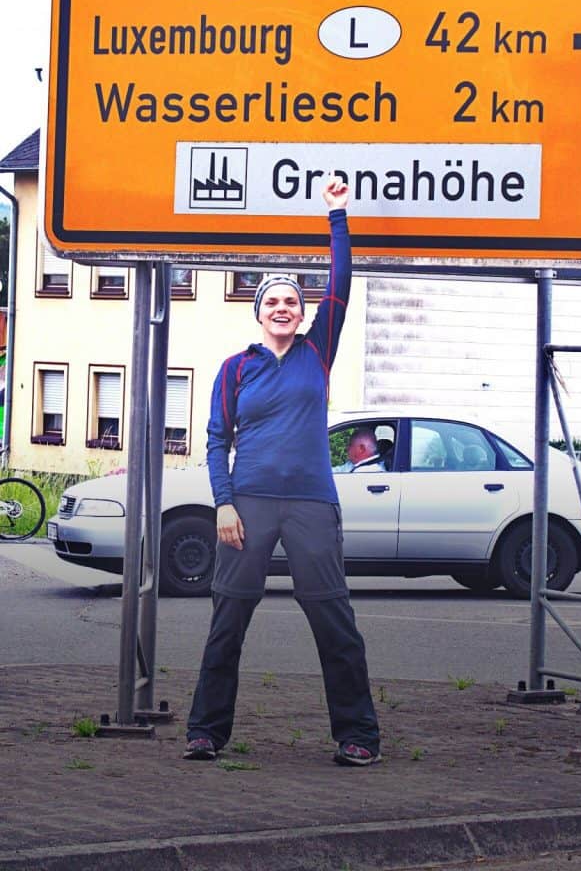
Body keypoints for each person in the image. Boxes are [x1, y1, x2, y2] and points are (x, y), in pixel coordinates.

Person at [184, 174, 380, 767]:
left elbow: (342, 281)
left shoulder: (318, 349)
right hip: (248, 505)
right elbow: (218, 441)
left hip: (313, 505)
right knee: (229, 617)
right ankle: (206, 732)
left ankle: (358, 735)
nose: (283, 309)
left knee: (333, 618)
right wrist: (223, 502)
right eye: (272, 301)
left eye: (292, 301)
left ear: (302, 312)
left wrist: (337, 214)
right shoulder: (233, 369)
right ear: (258, 311)